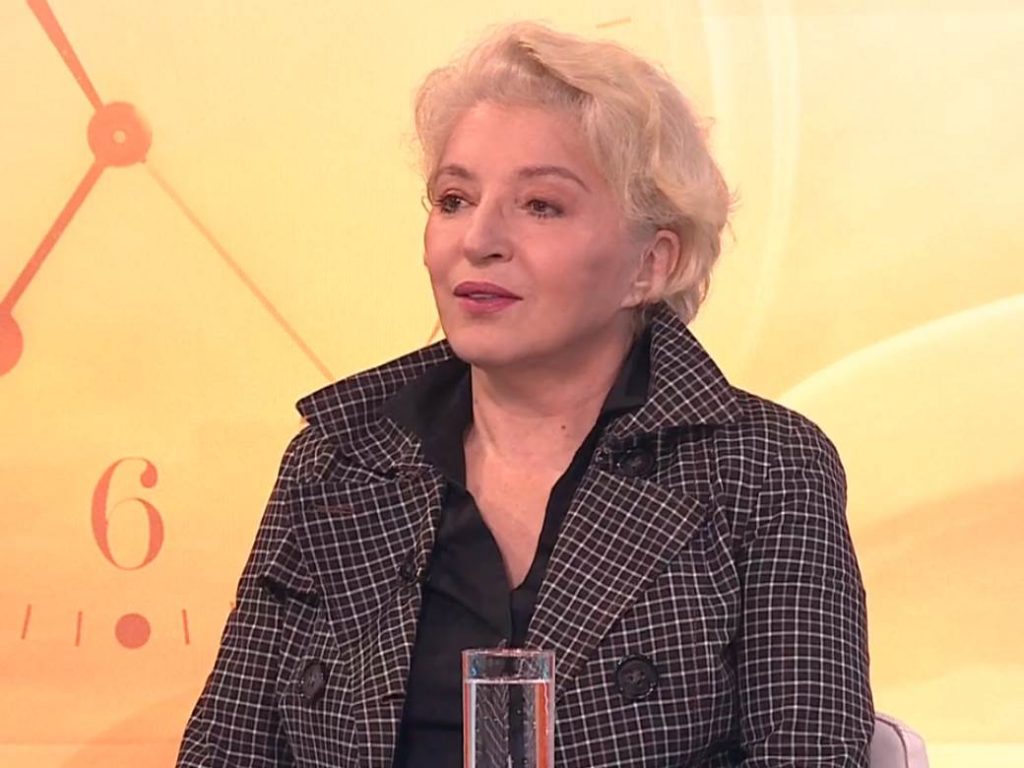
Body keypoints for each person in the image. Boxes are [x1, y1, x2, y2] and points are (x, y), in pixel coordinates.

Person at [177, 20, 873, 768]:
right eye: (454, 199)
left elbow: (808, 753)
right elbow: (226, 750)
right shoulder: (337, 459)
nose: (478, 239)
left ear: (650, 264)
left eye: (540, 205)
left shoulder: (765, 469)